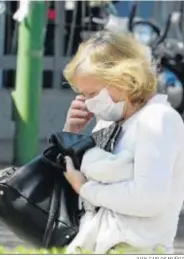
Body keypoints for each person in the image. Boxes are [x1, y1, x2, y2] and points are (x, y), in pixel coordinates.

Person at [62, 29, 184, 254]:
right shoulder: (110, 123)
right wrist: (71, 134)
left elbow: (149, 199)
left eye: (92, 93)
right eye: (83, 95)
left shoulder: (157, 119)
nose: (87, 103)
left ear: (125, 78)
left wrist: (85, 188)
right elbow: (71, 179)